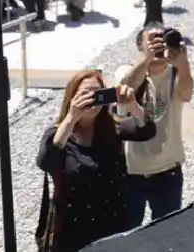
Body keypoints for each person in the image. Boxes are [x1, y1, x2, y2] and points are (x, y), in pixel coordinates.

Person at [36, 69, 156, 252]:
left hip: (114, 227)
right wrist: (71, 117)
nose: (91, 100)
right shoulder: (59, 134)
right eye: (84, 94)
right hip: (73, 234)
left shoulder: (111, 130)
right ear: (71, 98)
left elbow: (147, 130)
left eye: (97, 94)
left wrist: (133, 106)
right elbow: (46, 160)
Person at [116, 24, 193, 225]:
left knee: (167, 234)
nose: (159, 44)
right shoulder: (127, 70)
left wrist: (183, 63)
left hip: (168, 171)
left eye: (163, 38)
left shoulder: (175, 73)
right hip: (132, 172)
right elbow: (126, 87)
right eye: (152, 40)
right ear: (140, 46)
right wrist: (147, 59)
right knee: (128, 234)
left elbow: (186, 94)